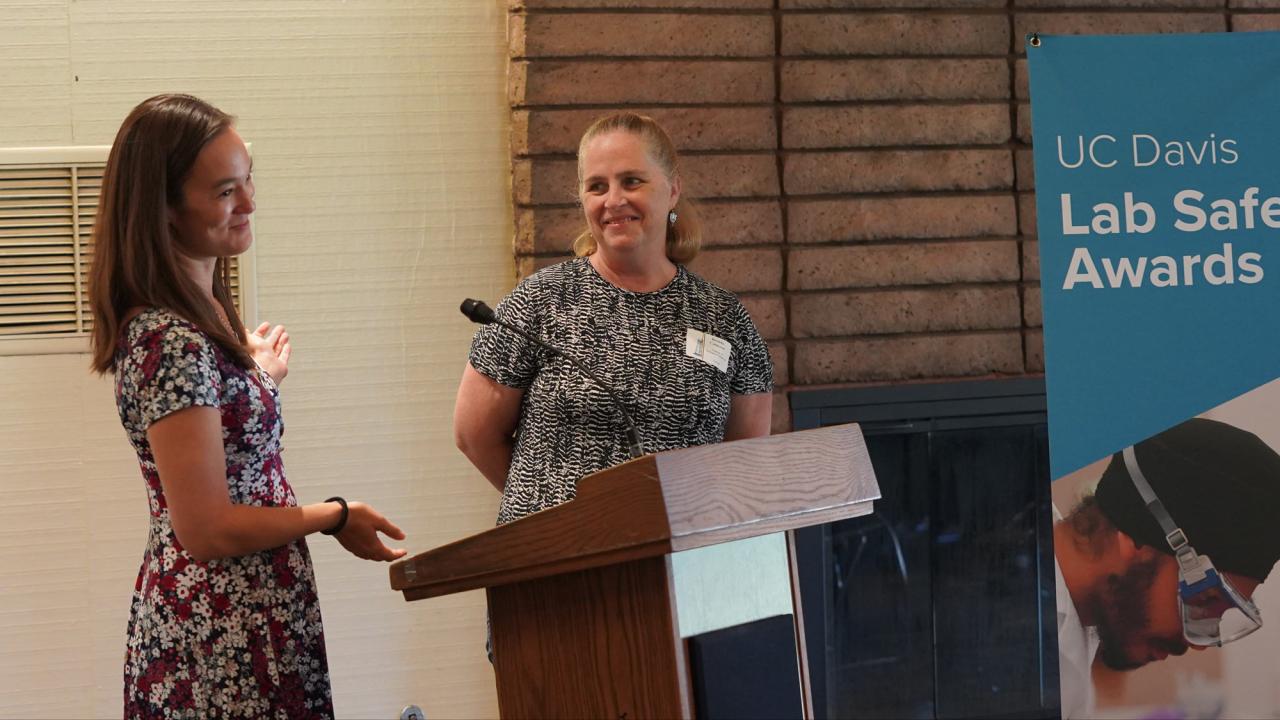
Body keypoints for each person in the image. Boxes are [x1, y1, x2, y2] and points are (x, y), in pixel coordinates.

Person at [88, 94, 407, 720]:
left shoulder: (196, 320)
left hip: (250, 616)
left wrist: (257, 380)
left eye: (248, 180)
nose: (251, 204)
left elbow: (220, 446)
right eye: (226, 191)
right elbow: (206, 529)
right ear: (166, 210)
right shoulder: (170, 339)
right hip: (217, 634)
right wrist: (335, 515)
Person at [453, 111, 774, 524]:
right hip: (557, 557)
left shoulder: (724, 319)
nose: (614, 200)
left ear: (673, 189)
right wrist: (553, 515)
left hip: (681, 559)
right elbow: (473, 435)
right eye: (597, 186)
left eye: (632, 181)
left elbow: (743, 460)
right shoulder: (538, 301)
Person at [1053, 417, 1280, 718]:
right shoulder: (989, 596)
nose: (1196, 644)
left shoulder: (1071, 653)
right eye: (1205, 599)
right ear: (1136, 539)